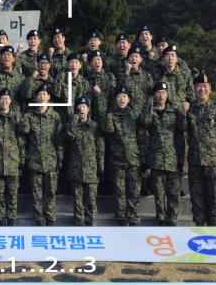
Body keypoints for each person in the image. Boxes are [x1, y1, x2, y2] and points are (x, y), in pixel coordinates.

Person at [185, 72, 216, 226]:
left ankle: (215, 230)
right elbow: (183, 131)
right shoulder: (190, 109)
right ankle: (200, 230)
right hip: (195, 162)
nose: (202, 89)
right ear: (194, 89)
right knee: (196, 198)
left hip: (213, 162)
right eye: (199, 86)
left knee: (214, 198)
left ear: (210, 89)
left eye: (205, 86)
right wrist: (182, 113)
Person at [143, 82, 186, 226]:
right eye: (158, 93)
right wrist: (149, 103)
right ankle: (160, 217)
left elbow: (182, 131)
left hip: (172, 158)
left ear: (167, 95)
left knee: (173, 192)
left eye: (163, 93)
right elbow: (144, 122)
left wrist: (183, 114)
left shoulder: (175, 112)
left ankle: (172, 219)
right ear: (154, 95)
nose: (161, 96)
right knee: (159, 192)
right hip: (156, 158)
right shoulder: (150, 111)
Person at [103, 86, 147, 226]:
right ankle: (121, 217)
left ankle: (132, 215)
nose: (121, 99)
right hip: (117, 159)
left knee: (134, 190)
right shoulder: (111, 115)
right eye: (119, 96)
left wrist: (143, 158)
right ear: (115, 99)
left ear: (129, 99)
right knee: (119, 190)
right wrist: (109, 114)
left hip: (133, 158)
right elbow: (108, 130)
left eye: (124, 97)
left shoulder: (134, 115)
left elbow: (142, 137)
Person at [20, 84, 64, 226]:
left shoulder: (55, 116)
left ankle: (50, 218)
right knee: (36, 193)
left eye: (45, 94)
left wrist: (60, 158)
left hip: (50, 160)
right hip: (34, 160)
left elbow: (59, 140)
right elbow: (23, 135)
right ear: (35, 98)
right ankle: (39, 218)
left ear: (49, 97)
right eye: (39, 94)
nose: (42, 96)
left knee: (51, 192)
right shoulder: (29, 116)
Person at [0, 88, 24, 226]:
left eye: (6, 99)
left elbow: (21, 138)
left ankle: (11, 218)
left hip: (13, 160)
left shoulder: (16, 116)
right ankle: (1, 218)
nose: (4, 101)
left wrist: (22, 159)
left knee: (12, 193)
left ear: (11, 101)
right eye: (1, 99)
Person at [66, 96, 104, 226]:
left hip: (91, 170)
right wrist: (74, 118)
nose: (81, 109)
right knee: (78, 200)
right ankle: (79, 224)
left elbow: (100, 148)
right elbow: (69, 136)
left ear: (88, 109)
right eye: (79, 108)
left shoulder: (94, 127)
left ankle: (91, 224)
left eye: (84, 107)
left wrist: (100, 167)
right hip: (76, 169)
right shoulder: (72, 126)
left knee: (91, 200)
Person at [0, 45, 25, 111]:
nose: (6, 56)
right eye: (4, 55)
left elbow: (23, 98)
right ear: (0, 59)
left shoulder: (21, 77)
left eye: (9, 54)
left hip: (14, 113)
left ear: (13, 59)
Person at [154, 44, 194, 112]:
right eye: (167, 55)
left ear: (176, 59)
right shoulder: (157, 75)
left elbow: (191, 94)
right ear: (163, 59)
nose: (170, 58)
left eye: (173, 55)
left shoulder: (185, 75)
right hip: (162, 112)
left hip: (180, 111)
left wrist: (188, 104)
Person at [55, 52, 92, 122]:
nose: (74, 65)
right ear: (67, 65)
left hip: (78, 120)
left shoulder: (84, 83)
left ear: (80, 65)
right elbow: (56, 97)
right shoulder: (61, 79)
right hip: (62, 118)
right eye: (71, 62)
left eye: (76, 62)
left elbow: (87, 105)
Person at [85, 49, 116, 121]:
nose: (97, 62)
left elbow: (113, 97)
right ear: (90, 64)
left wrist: (100, 94)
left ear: (102, 63)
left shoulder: (110, 77)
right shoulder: (86, 79)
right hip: (92, 117)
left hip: (107, 117)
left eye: (99, 59)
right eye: (94, 60)